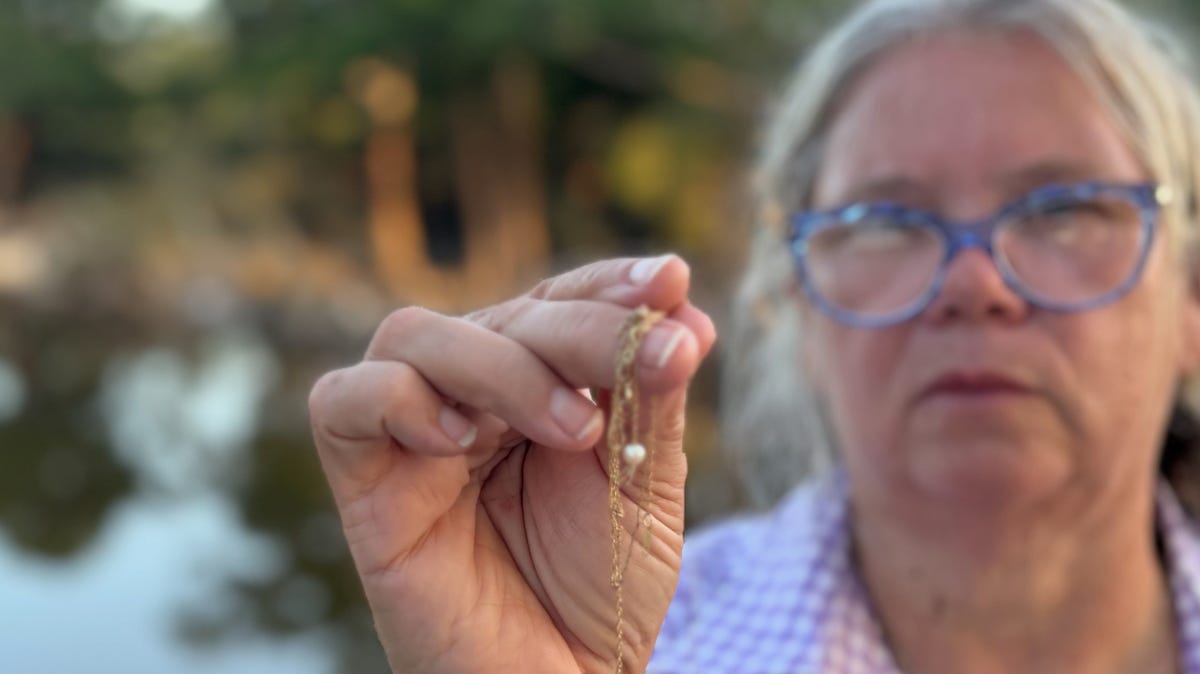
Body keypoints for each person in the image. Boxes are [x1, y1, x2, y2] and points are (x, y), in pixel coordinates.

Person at [306, 0, 1200, 671]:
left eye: (1065, 210)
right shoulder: (632, 645)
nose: (974, 284)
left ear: (1190, 304)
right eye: (885, 218)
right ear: (795, 306)